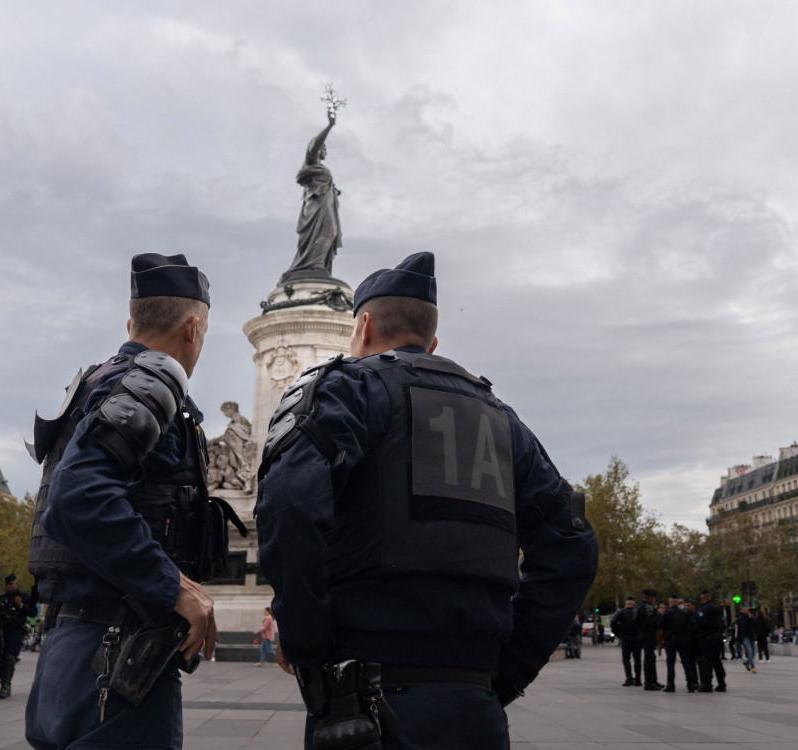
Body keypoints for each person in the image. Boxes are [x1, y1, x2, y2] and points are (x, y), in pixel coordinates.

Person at [256, 251, 599, 750]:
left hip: (364, 706)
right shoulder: (503, 420)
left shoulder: (350, 389)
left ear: (364, 326)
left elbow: (288, 499)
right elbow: (573, 547)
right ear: (432, 342)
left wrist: (307, 640)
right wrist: (507, 669)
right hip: (475, 705)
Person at [25, 253, 218, 750]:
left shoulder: (99, 380)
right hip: (114, 654)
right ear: (194, 328)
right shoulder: (151, 383)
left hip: (71, 649)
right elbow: (77, 499)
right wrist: (176, 588)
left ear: (132, 321)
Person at [282, 111, 342, 282]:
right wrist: (330, 125)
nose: (326, 152)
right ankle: (313, 265)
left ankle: (318, 264)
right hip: (315, 205)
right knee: (327, 232)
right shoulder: (310, 161)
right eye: (324, 148)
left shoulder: (320, 167)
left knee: (330, 232)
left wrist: (335, 192)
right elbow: (315, 144)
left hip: (326, 203)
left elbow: (324, 185)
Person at [0, 573, 37, 698]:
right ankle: (3, 683)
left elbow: (33, 612)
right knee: (1, 660)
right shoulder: (1, 598)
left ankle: (6, 684)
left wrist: (21, 605)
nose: (8, 587)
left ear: (16, 584)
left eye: (11, 584)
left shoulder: (23, 597)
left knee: (10, 658)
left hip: (16, 630)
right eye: (6, 585)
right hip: (2, 631)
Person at [658, 595, 697, 693]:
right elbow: (692, 624)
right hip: (683, 639)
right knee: (686, 662)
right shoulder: (684, 613)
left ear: (669, 603)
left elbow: (659, 625)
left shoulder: (667, 613)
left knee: (670, 663)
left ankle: (671, 684)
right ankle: (690, 684)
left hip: (671, 639)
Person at [695, 590, 727, 693]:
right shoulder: (717, 608)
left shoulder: (704, 609)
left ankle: (707, 684)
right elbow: (722, 623)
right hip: (717, 636)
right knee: (717, 661)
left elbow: (700, 622)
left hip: (708, 638)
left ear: (703, 598)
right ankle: (722, 683)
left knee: (707, 661)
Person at [610, 597, 641, 686]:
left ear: (625, 603)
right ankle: (638, 679)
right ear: (633, 604)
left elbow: (613, 622)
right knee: (637, 659)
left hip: (626, 637)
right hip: (637, 638)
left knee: (626, 658)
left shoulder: (621, 612)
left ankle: (629, 678)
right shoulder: (637, 612)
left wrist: (618, 633)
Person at [636, 588, 663, 690]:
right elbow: (652, 622)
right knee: (649, 659)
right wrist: (659, 614)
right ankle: (649, 683)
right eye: (653, 598)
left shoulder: (640, 606)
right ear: (650, 598)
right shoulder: (647, 607)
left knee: (651, 658)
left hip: (643, 634)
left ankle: (653, 681)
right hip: (648, 635)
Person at [739, 608, 757, 673]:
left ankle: (747, 663)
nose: (745, 612)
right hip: (745, 637)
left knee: (753, 653)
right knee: (749, 652)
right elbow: (739, 629)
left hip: (752, 637)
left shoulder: (752, 618)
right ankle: (753, 668)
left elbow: (756, 625)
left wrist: (751, 618)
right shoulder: (741, 619)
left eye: (746, 610)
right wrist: (738, 639)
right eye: (744, 610)